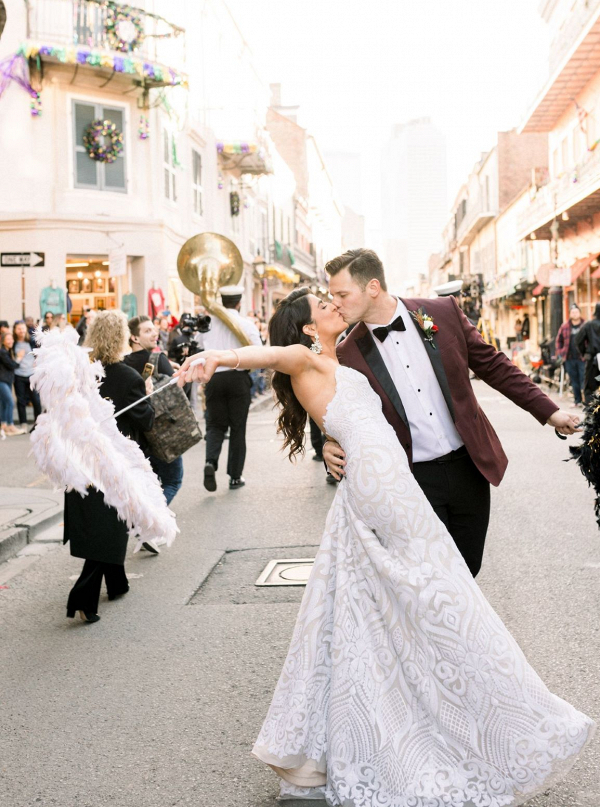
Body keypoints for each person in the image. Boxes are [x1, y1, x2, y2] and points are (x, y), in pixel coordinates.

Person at [176, 288, 594, 805]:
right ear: (308, 329)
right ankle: (478, 722)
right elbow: (270, 356)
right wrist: (221, 356)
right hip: (383, 495)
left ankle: (433, 708)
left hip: (399, 487)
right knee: (444, 603)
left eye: (336, 297)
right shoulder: (305, 357)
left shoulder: (348, 350)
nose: (333, 306)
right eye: (323, 306)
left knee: (399, 612)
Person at [321, 249, 578, 577]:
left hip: (469, 468)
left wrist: (550, 412)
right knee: (434, 576)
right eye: (332, 296)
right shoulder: (348, 354)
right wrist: (331, 442)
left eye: (342, 294)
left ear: (372, 287)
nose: (336, 303)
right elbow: (344, 409)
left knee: (469, 568)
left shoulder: (441, 313)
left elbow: (493, 365)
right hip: (412, 479)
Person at [64, 311, 154, 623]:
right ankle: (83, 597)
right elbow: (147, 418)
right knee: (109, 527)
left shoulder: (80, 375)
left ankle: (117, 582)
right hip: (114, 462)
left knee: (105, 522)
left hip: (82, 459)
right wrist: (148, 392)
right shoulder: (129, 377)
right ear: (121, 339)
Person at [197, 285, 263, 491]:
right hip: (238, 378)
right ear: (239, 302)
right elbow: (259, 352)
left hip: (214, 378)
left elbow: (198, 350)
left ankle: (210, 462)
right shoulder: (246, 323)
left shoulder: (208, 325)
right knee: (237, 428)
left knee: (215, 425)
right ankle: (235, 477)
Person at [124, 315, 184, 527]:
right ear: (134, 337)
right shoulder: (159, 360)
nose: (154, 333)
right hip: (162, 433)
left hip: (137, 436)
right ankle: (147, 524)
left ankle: (146, 525)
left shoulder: (124, 364)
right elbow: (178, 393)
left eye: (154, 329)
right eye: (147, 330)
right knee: (173, 480)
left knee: (149, 483)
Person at [12, 320, 42, 429]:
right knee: (21, 401)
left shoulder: (32, 341)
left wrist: (37, 362)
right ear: (15, 330)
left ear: (26, 329)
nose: (21, 331)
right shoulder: (13, 343)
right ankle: (23, 424)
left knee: (36, 400)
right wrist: (17, 358)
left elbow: (40, 352)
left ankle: (38, 423)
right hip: (18, 375)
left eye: (23, 328)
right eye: (19, 328)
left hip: (31, 375)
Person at [556, 303, 585, 406]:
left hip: (583, 358)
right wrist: (560, 352)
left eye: (576, 312)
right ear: (570, 314)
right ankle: (577, 401)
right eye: (573, 312)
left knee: (584, 379)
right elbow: (558, 341)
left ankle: (586, 402)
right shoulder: (565, 326)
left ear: (580, 313)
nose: (575, 314)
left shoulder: (585, 325)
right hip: (569, 358)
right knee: (574, 380)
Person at [0, 330, 27, 437]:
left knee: (4, 403)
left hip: (7, 381)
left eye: (11, 339)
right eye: (8, 339)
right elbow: (13, 365)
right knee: (10, 402)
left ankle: (4, 425)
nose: (11, 341)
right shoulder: (2, 352)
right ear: (3, 341)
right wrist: (19, 358)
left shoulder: (7, 351)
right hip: (2, 381)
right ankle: (10, 425)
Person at [575, 302, 600, 406]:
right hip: (593, 358)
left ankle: (591, 416)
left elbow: (578, 340)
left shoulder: (589, 325)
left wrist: (585, 352)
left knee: (589, 389)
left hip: (592, 359)